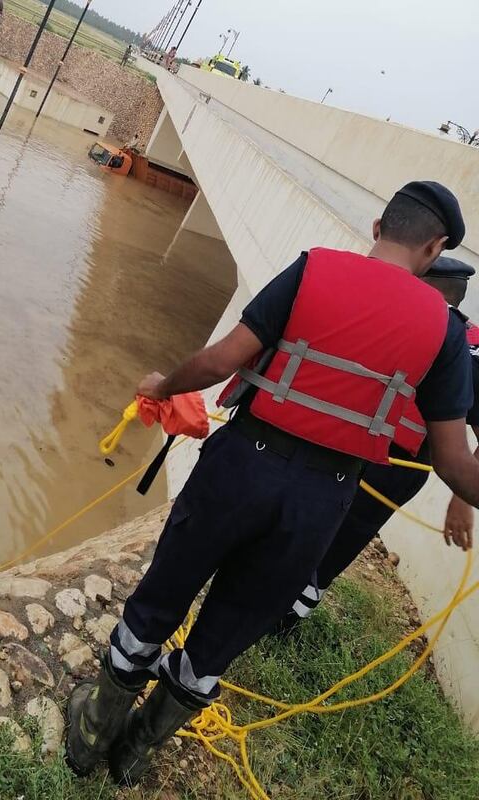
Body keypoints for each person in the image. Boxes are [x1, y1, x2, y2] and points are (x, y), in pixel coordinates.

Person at [66, 181, 479, 787]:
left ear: (377, 226)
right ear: (436, 246)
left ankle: (92, 735)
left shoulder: (314, 269)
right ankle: (134, 752)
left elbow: (220, 360)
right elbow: (454, 462)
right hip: (321, 501)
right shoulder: (446, 334)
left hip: (241, 468)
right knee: (226, 631)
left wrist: (163, 385)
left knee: (162, 595)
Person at [279, 256, 478, 630]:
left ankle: (285, 610)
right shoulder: (460, 338)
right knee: (334, 532)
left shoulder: (447, 339)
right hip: (373, 451)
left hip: (388, 461)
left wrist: (462, 497)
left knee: (334, 531)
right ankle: (282, 601)